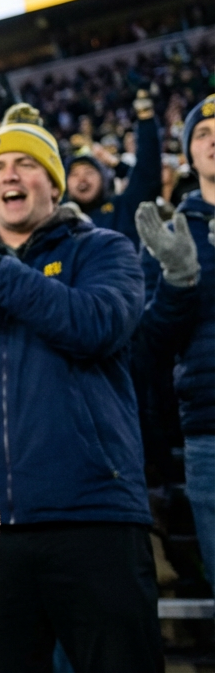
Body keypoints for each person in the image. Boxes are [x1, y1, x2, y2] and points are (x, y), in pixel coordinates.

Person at [0, 104, 160, 672]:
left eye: (26, 164)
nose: (9, 174)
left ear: (53, 183)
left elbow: (95, 325)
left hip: (94, 514)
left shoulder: (102, 249)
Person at [137, 97, 215, 593]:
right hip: (209, 427)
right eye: (203, 133)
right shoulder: (172, 236)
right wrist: (177, 279)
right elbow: (151, 346)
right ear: (189, 154)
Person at [65, 90, 162, 246]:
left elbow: (147, 173)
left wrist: (146, 121)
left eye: (89, 172)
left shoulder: (124, 207)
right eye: (74, 174)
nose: (82, 179)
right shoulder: (60, 226)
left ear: (104, 180)